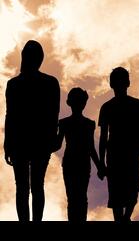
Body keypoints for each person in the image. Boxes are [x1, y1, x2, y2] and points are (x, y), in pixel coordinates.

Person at [4, 40, 60, 221]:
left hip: (30, 141)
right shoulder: (49, 83)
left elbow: (53, 114)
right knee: (33, 186)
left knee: (27, 187)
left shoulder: (15, 84)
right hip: (35, 141)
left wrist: (8, 143)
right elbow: (10, 115)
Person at [99, 67, 139, 222]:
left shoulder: (136, 105)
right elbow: (103, 136)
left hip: (130, 152)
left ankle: (125, 218)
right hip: (115, 154)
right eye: (117, 80)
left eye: (122, 80)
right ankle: (122, 219)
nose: (120, 84)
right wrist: (101, 162)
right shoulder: (107, 107)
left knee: (132, 189)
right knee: (117, 193)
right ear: (112, 84)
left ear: (127, 83)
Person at [54, 88, 106, 222]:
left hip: (74, 162)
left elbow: (58, 145)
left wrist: (100, 165)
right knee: (79, 196)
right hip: (79, 162)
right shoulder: (87, 124)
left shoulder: (65, 123)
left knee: (74, 197)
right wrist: (100, 165)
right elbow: (91, 148)